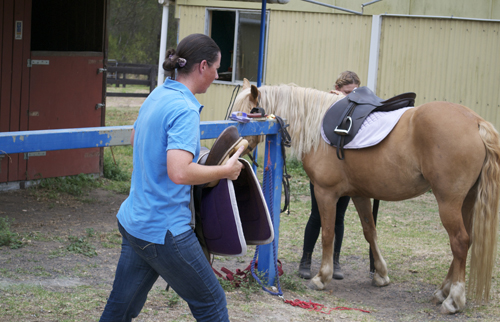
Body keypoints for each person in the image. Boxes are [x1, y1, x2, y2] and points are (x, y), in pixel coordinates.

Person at [100, 34, 244, 322]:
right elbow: (179, 172)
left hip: (136, 221)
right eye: (217, 69)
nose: (217, 76)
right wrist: (225, 171)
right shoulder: (185, 108)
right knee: (212, 303)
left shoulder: (159, 93)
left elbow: (135, 138)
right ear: (203, 66)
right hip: (166, 230)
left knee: (121, 310)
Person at [298, 71, 361, 280]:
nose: (351, 97)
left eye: (355, 93)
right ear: (337, 89)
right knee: (317, 216)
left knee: (339, 218)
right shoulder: (325, 106)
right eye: (347, 92)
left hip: (345, 171)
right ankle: (306, 259)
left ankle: (334, 260)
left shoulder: (356, 110)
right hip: (323, 171)